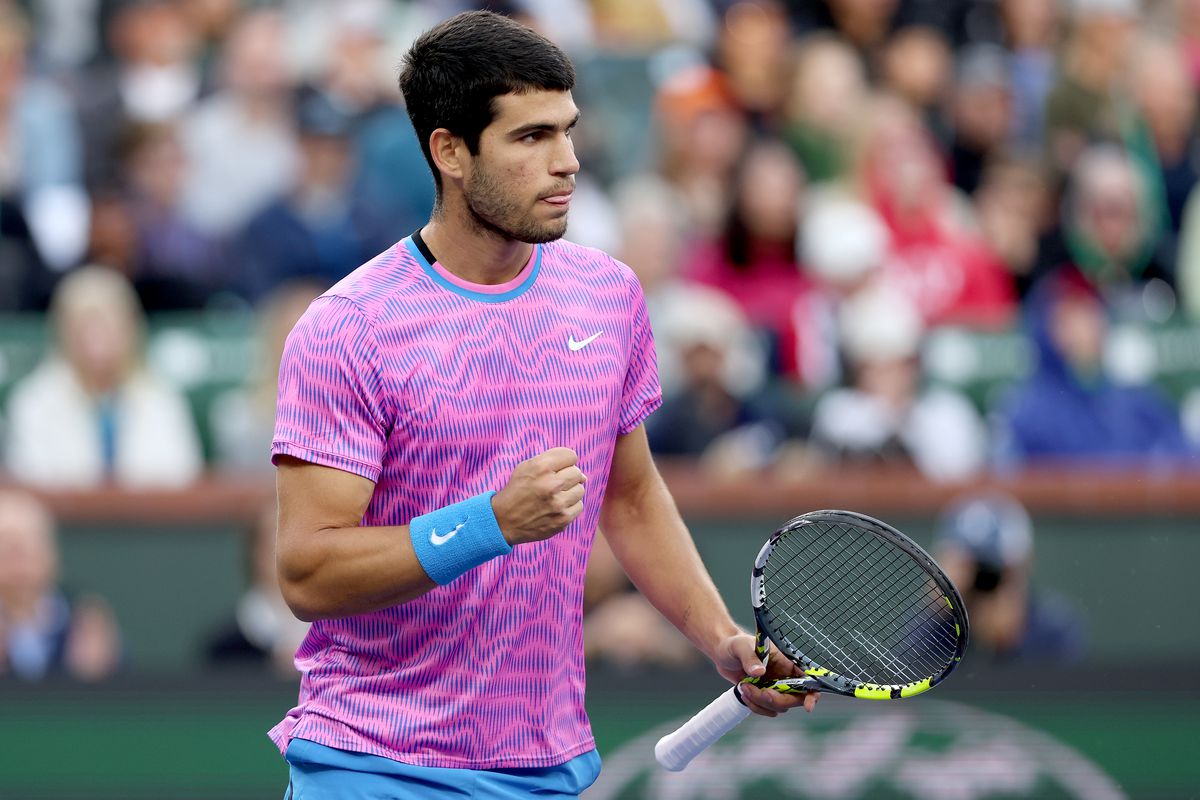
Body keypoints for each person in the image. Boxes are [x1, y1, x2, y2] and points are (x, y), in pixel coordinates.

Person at [268, 11, 816, 799]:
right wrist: (490, 523)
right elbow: (309, 572)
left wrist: (720, 635)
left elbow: (626, 495)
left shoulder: (608, 295)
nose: (567, 162)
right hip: (374, 763)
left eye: (568, 130)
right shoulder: (347, 329)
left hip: (546, 767)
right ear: (449, 151)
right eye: (530, 138)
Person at [2, 265, 204, 488]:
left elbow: (184, 484)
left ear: (130, 328)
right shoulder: (34, 402)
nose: (96, 339)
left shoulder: (162, 399)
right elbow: (31, 487)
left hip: (150, 522)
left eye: (107, 325)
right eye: (84, 326)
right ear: (63, 332)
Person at [932, 491, 1086, 663]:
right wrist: (936, 608)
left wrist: (1007, 642)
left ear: (1025, 564)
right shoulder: (936, 630)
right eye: (972, 568)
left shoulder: (1055, 629)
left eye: (995, 570)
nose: (984, 579)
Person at [0, 488, 122, 681]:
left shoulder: (83, 619)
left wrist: (102, 667)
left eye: (27, 548)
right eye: (7, 549)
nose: (19, 564)